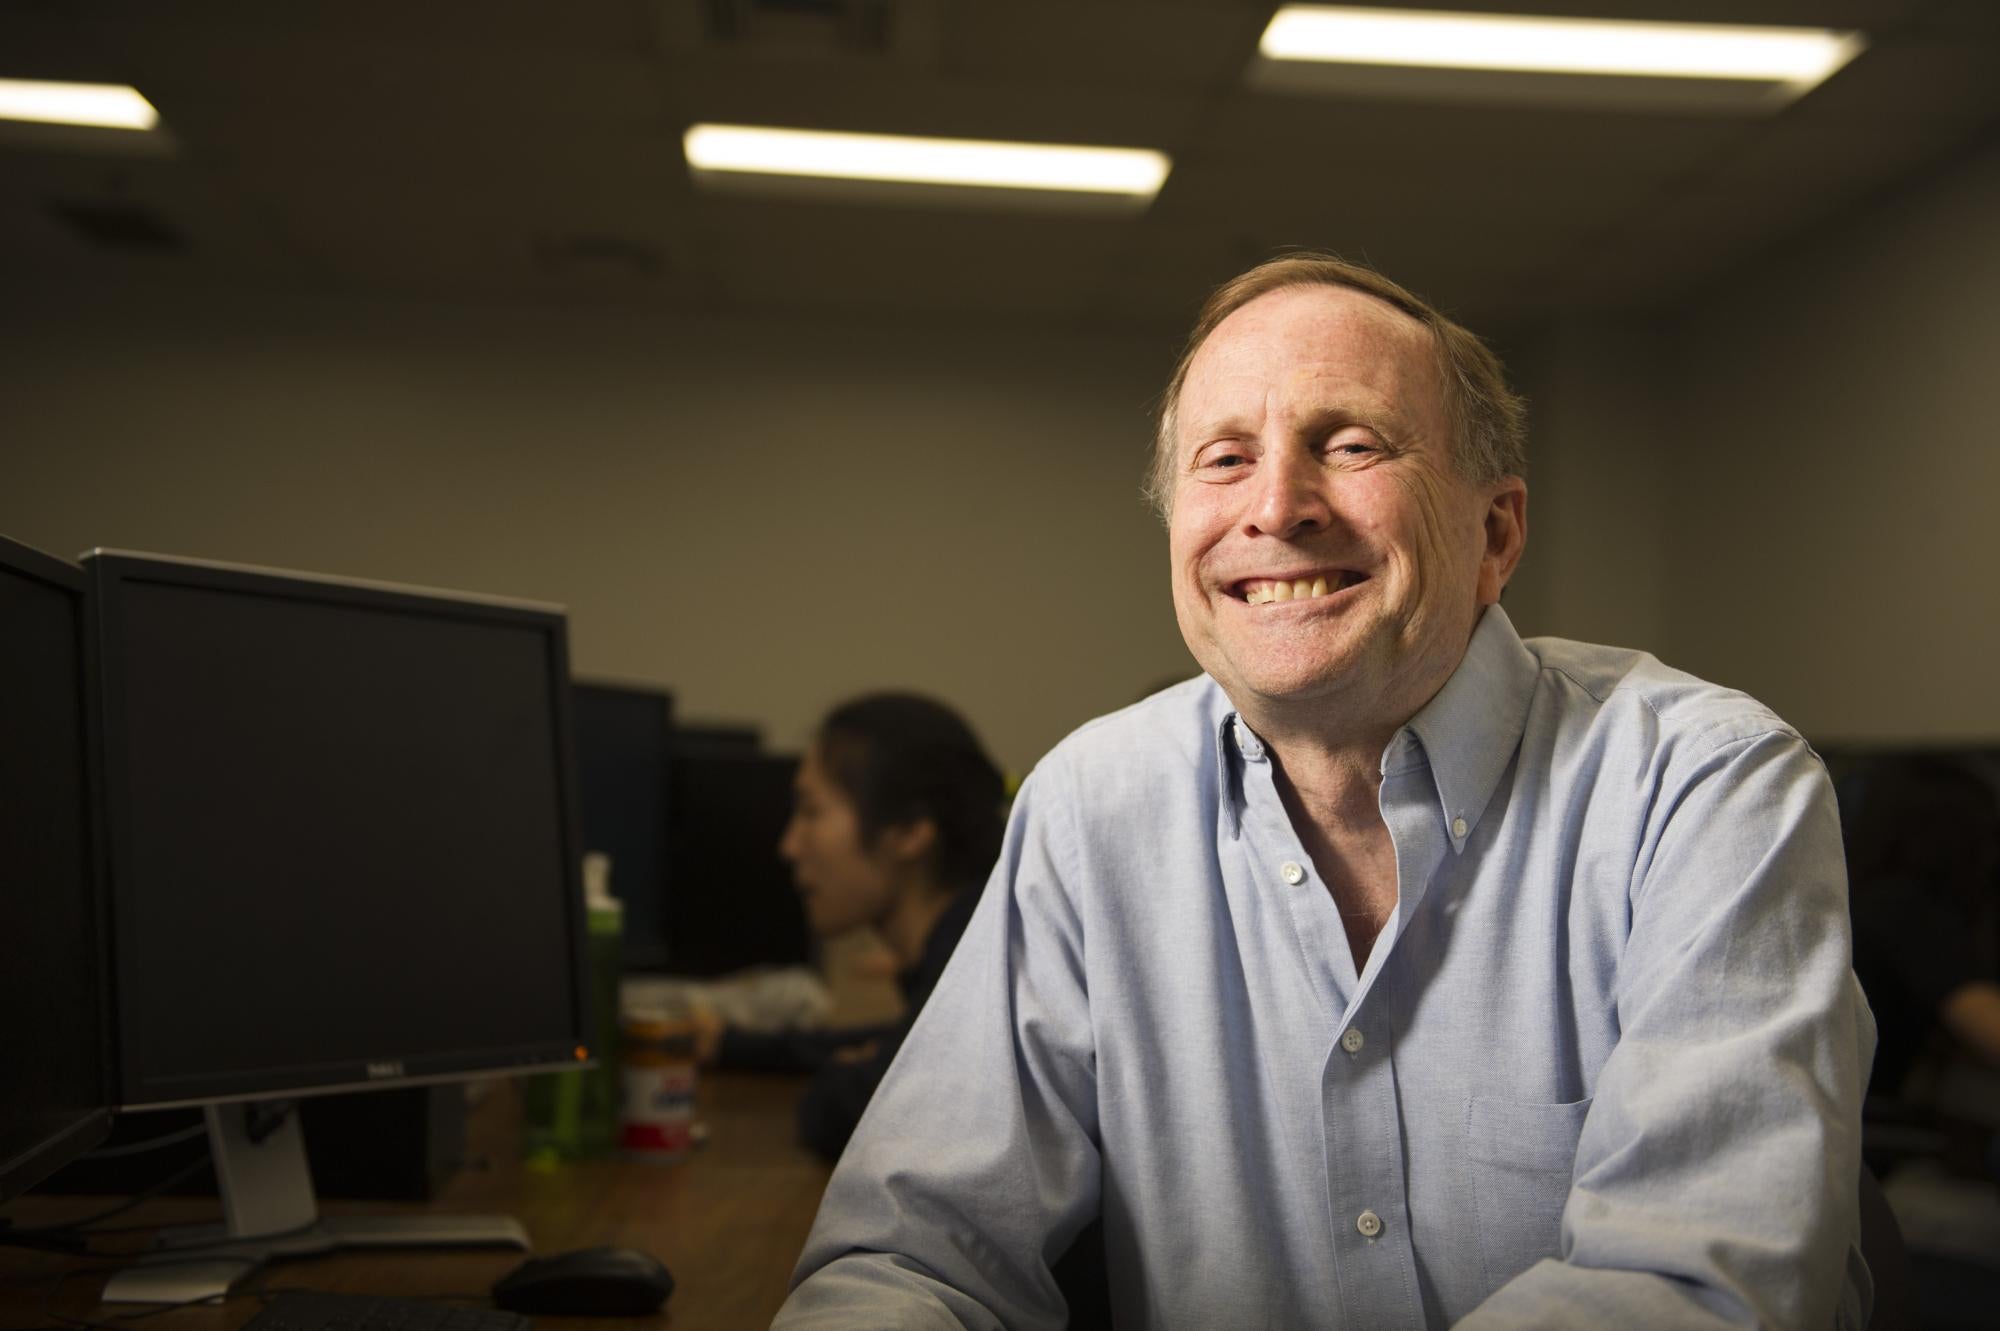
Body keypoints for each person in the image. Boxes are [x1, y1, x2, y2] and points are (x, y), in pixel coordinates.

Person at [776, 254, 1876, 1329]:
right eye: (1221, 458)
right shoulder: (1089, 805)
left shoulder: (1698, 785)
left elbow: (1691, 1286)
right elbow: (915, 1251)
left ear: (1494, 532)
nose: (1276, 506)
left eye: (1348, 445)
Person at [697, 692, 1006, 1162]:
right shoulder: (973, 945)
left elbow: (853, 1116)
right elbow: (894, 1044)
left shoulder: (979, 972)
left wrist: (844, 1081)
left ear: (909, 832)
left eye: (811, 812)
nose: (790, 846)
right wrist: (731, 1044)